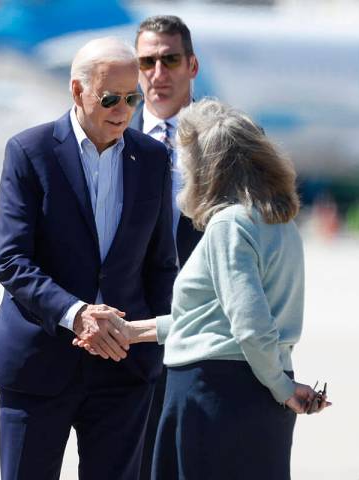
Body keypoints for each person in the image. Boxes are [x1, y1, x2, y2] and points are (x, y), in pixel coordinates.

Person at [75, 99, 331, 479]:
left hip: (217, 393)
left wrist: (281, 387)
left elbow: (248, 323)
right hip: (260, 388)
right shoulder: (282, 224)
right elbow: (208, 317)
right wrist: (134, 331)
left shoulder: (230, 224)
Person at [0, 37, 178, 480]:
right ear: (77, 91)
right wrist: (77, 314)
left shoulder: (152, 158)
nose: (123, 110)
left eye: (132, 98)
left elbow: (161, 264)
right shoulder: (30, 152)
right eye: (110, 98)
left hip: (123, 368)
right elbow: (12, 260)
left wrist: (154, 343)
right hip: (40, 362)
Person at [130, 15, 201, 478]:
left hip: (202, 336)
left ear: (192, 65)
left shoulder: (227, 143)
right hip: (129, 338)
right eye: (147, 61)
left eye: (170, 60)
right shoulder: (112, 138)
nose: (158, 73)